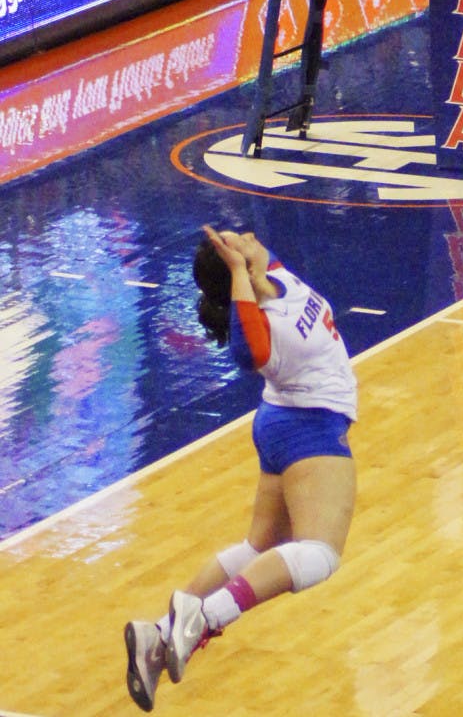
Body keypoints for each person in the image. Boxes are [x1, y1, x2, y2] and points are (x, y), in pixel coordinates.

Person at [124, 225, 357, 712]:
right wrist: (234, 271)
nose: (248, 234)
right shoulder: (264, 328)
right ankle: (205, 616)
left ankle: (158, 634)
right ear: (241, 270)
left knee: (260, 545)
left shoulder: (275, 277)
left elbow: (262, 265)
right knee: (320, 554)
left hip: (280, 422)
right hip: (307, 428)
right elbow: (249, 352)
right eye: (238, 241)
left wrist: (241, 266)